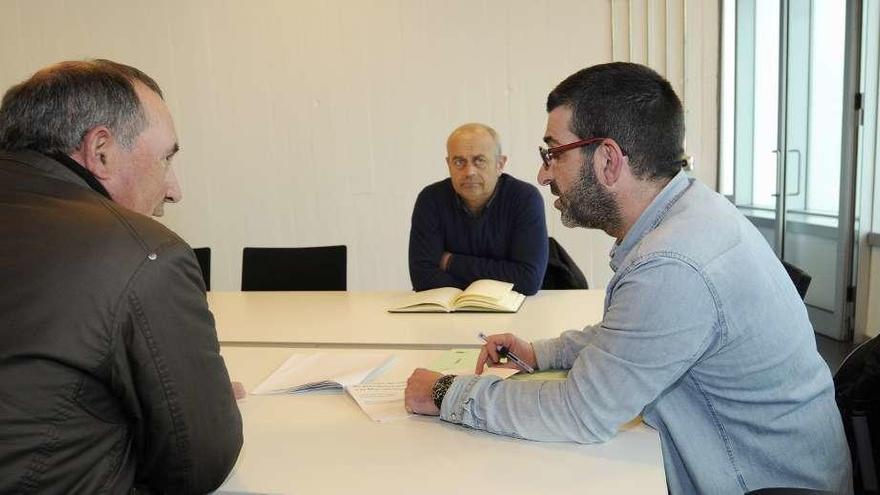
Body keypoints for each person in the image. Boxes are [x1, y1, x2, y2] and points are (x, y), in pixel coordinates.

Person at [405, 63, 852, 494]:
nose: (543, 173)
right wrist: (542, 354)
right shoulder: (689, 211)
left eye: (552, 153)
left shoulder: (673, 263)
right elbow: (632, 331)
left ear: (607, 160)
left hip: (759, 483)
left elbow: (580, 413)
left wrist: (447, 391)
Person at [0, 60, 242, 493]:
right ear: (102, 152)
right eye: (166, 158)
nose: (174, 189)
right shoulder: (142, 252)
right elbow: (197, 466)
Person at [408, 123, 548, 295]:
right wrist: (503, 275)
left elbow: (527, 280)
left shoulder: (524, 199)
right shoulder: (431, 199)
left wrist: (452, 262)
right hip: (448, 315)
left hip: (514, 314)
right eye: (459, 162)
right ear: (448, 164)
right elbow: (422, 278)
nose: (469, 172)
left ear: (500, 164)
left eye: (479, 161)